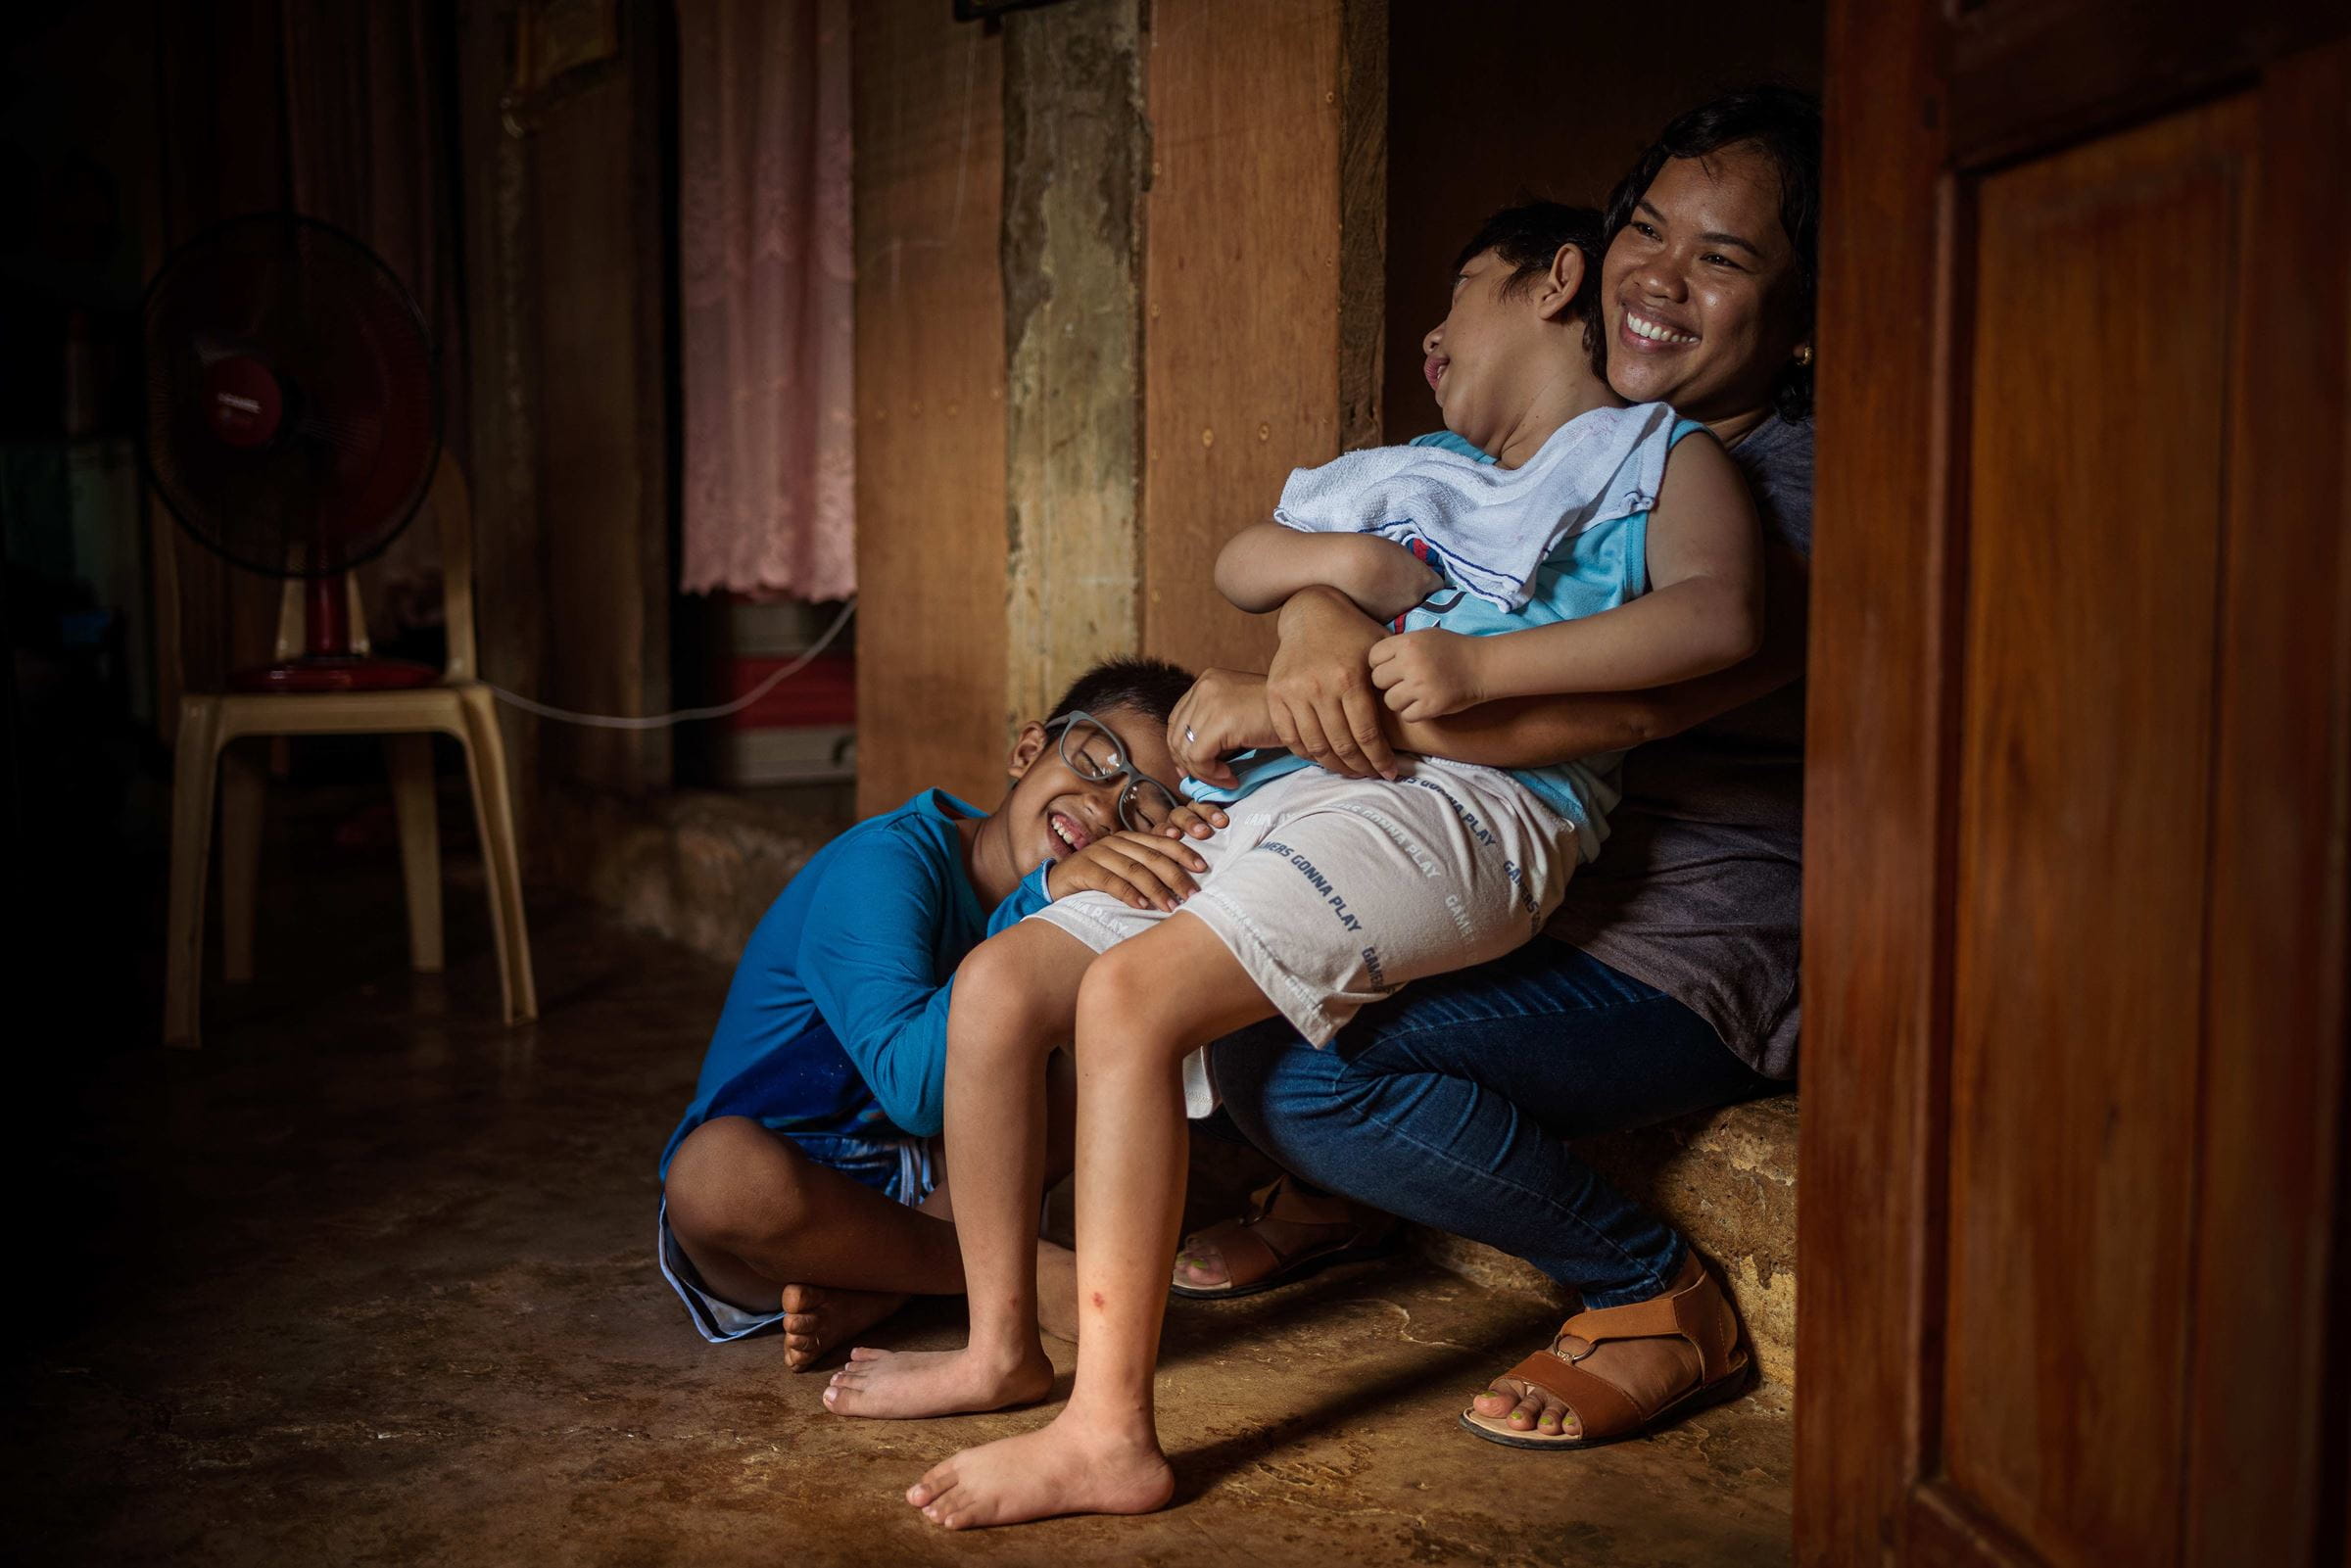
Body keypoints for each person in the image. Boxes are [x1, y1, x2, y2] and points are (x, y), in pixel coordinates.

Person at [829, 202, 1765, 1530]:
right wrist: (1349, 570)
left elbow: (1719, 617)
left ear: (1555, 281)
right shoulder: (1417, 467)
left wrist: (1481, 662)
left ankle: (1109, 1432)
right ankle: (1002, 1346)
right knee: (999, 987)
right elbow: (1250, 557)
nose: (1431, 336)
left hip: (1466, 804)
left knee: (1129, 1003)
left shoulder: (1653, 461)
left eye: (1456, 295)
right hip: (1294, 796)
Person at [1161, 85, 1821, 1452]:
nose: (1661, 278)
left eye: (1724, 257)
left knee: (1304, 1075)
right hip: (1504, 880)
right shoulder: (1549, 459)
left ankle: (1649, 1291)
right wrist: (1321, 618)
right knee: (1229, 986)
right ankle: (1365, 1193)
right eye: (1647, 230)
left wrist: (1293, 703)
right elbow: (1375, 554)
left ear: (1806, 317)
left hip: (1686, 944)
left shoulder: (1791, 495)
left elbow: (1604, 708)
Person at [656, 656, 1223, 1369]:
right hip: (797, 1199)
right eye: (1096, 758)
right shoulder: (888, 863)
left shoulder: (1082, 902)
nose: (1107, 808)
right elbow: (915, 1092)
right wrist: (1040, 897)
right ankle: (995, 1272)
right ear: (1026, 751)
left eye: (1146, 806)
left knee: (1112, 1024)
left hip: (947, 1188)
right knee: (710, 1177)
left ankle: (896, 1284)